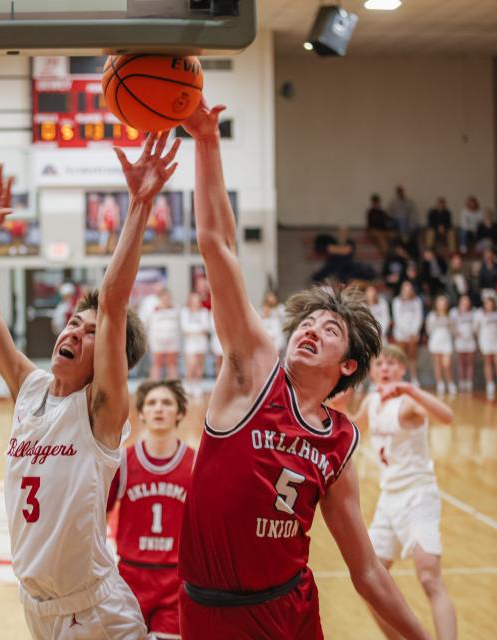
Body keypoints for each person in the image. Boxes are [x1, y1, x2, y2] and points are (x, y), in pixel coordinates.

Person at [177, 101, 429, 640]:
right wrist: (206, 141)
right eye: (308, 321)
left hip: (288, 610)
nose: (311, 329)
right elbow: (217, 245)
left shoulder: (339, 444)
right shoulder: (252, 374)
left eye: (329, 330)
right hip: (209, 611)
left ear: (349, 366)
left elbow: (365, 571)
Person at [0, 133, 178, 639]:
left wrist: (140, 204)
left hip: (95, 613)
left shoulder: (101, 411)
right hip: (36, 607)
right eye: (73, 325)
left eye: (89, 333)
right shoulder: (30, 388)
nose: (74, 333)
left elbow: (114, 301)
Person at [347, 345, 457, 640]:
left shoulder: (408, 402)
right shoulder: (371, 401)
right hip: (388, 500)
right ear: (371, 371)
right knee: (368, 583)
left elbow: (446, 416)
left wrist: (412, 391)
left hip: (418, 495)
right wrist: (337, 406)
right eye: (380, 363)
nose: (385, 368)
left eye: (393, 363)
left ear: (402, 370)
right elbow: (352, 431)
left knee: (429, 578)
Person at [107, 380, 195, 640]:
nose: (159, 409)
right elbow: (97, 517)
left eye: (167, 403)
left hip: (175, 581)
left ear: (179, 413)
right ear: (142, 413)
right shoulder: (122, 461)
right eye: (152, 403)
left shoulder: (195, 464)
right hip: (129, 578)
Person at [475, 295, 497, 400]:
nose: (489, 305)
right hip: (485, 341)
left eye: (490, 302)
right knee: (488, 363)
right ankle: (490, 383)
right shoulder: (479, 314)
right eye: (487, 303)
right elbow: (476, 328)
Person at [392, 281, 423, 385]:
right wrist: (406, 332)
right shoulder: (396, 301)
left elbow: (418, 317)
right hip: (401, 334)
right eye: (405, 289)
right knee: (401, 357)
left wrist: (413, 331)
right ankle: (401, 378)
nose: (407, 291)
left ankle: (414, 378)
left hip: (413, 334)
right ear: (402, 290)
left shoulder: (417, 301)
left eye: (409, 289)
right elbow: (397, 319)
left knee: (412, 357)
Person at [180, 293, 210, 398]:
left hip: (201, 343)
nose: (195, 303)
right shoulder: (185, 312)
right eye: (193, 300)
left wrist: (193, 329)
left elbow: (206, 328)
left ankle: (197, 386)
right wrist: (198, 329)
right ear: (189, 301)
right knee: (191, 365)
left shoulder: (204, 312)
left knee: (199, 366)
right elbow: (185, 328)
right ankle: (188, 385)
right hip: (190, 344)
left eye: (197, 300)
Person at [425, 295, 456, 396]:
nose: (442, 305)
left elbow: (452, 328)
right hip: (436, 341)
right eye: (440, 303)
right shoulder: (432, 316)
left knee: (446, 365)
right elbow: (429, 329)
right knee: (437, 364)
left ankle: (450, 383)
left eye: (444, 303)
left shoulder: (450, 316)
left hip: (446, 341)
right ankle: (440, 383)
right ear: (436, 304)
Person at [147, 290, 181, 381]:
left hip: (172, 341)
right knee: (157, 364)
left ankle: (174, 387)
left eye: (168, 298)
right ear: (159, 299)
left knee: (172, 364)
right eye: (164, 298)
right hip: (157, 342)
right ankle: (153, 386)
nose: (166, 300)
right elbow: (148, 324)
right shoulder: (153, 310)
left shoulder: (175, 309)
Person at [450, 295, 477, 392]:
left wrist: (473, 332)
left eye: (467, 301)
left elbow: (476, 326)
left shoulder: (474, 312)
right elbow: (451, 325)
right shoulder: (454, 313)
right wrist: (455, 332)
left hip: (470, 340)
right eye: (463, 301)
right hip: (460, 341)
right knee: (461, 363)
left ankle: (469, 382)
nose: (465, 303)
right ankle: (461, 382)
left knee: (470, 363)